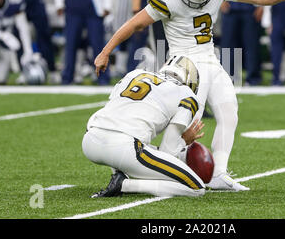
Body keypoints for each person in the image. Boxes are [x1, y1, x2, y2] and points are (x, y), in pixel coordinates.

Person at [94, 0, 285, 190]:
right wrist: (105, 51)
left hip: (210, 60)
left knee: (229, 111)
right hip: (183, 65)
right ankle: (155, 168)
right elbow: (135, 23)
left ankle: (218, 173)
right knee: (186, 124)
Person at [83, 56, 207, 197]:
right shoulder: (187, 94)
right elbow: (168, 152)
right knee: (197, 188)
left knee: (117, 126)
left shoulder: (135, 74)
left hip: (90, 141)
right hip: (124, 147)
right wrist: (184, 140)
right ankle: (125, 184)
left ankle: (119, 173)